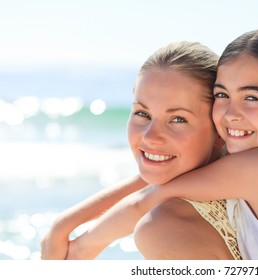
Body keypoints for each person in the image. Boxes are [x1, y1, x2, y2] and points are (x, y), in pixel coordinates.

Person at [66, 24, 258, 260]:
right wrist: (66, 223)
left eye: (251, 97)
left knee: (157, 227)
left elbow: (146, 199)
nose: (231, 113)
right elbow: (159, 180)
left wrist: (80, 249)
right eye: (222, 95)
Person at [41, 41, 241, 260]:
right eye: (142, 114)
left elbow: (142, 201)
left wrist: (81, 246)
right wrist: (64, 228)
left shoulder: (164, 230)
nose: (150, 137)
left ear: (220, 132)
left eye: (178, 119)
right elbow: (146, 188)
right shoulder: (211, 176)